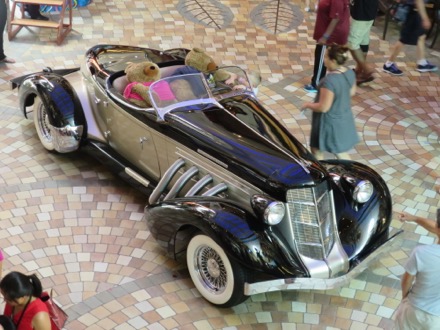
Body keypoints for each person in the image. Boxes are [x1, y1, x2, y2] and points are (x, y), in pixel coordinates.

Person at [301, 45, 358, 160]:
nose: (324, 60)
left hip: (328, 122)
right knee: (339, 151)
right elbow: (352, 92)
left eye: (326, 57)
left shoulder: (329, 81)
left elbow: (323, 107)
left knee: (317, 149)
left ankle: (321, 173)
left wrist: (307, 105)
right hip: (343, 117)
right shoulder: (349, 73)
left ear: (333, 61)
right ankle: (351, 172)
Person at [394, 211, 440, 329]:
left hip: (413, 310)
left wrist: (405, 298)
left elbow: (406, 281)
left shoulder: (421, 253)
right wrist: (414, 218)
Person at [303, 0, 350, 93]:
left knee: (322, 57)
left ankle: (316, 84)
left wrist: (325, 37)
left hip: (331, 34)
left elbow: (336, 18)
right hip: (329, 31)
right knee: (326, 57)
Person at [383, 0, 438, 75]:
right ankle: (388, 64)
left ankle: (422, 63)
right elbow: (419, 1)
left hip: (414, 11)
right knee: (403, 39)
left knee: (421, 36)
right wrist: (425, 18)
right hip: (413, 12)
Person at [348, 0, 379, 85]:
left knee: (352, 43)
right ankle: (358, 72)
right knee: (363, 41)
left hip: (362, 11)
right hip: (370, 10)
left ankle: (367, 70)